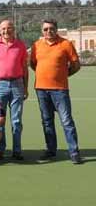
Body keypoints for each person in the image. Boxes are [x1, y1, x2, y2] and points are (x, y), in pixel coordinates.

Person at [30, 19, 82, 164]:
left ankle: (74, 152)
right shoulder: (36, 45)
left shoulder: (66, 44)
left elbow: (76, 65)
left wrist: (63, 75)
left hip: (60, 90)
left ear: (56, 29)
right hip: (41, 89)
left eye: (51, 28)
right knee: (47, 121)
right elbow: (33, 64)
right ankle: (51, 150)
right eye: (45, 29)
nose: (48, 31)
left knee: (66, 121)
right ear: (42, 31)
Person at [0, 20, 28, 160]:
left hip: (17, 85)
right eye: (3, 28)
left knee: (16, 121)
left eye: (9, 28)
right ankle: (0, 150)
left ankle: (17, 151)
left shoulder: (20, 46)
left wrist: (25, 87)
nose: (6, 31)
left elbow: (25, 69)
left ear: (13, 29)